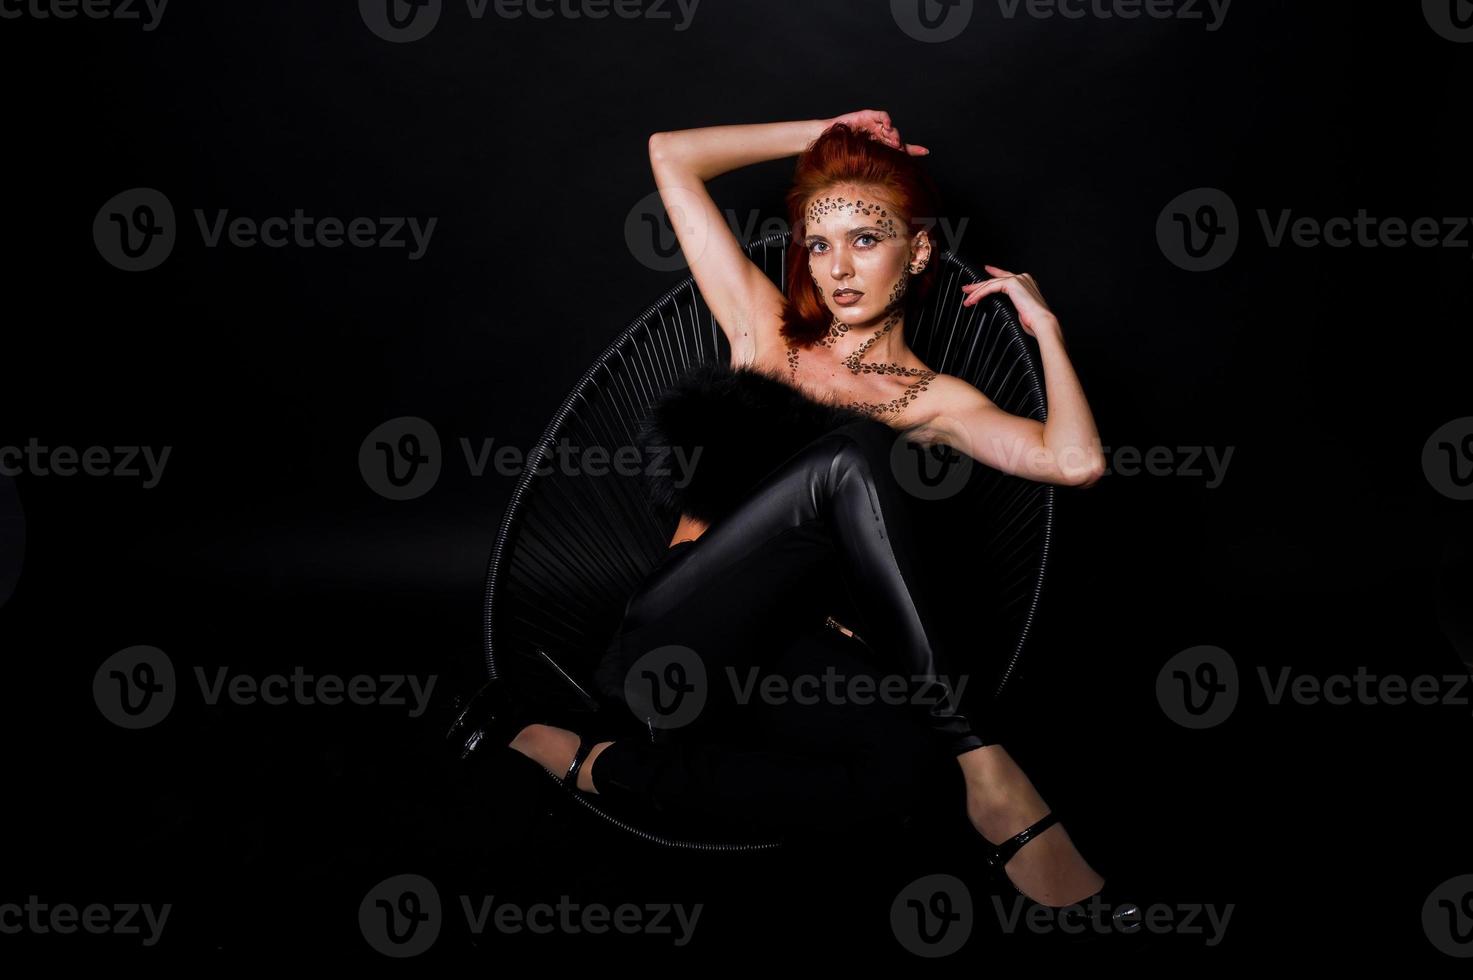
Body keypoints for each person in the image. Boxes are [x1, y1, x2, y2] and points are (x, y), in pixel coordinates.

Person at [454, 111, 1111, 911]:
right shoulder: (765, 334)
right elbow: (672, 155)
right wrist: (821, 129)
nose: (836, 266)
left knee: (905, 771)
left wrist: (1044, 328)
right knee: (851, 457)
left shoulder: (935, 399)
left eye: (866, 240)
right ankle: (990, 768)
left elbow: (1075, 464)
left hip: (783, 667)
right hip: (672, 646)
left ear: (921, 250)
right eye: (818, 242)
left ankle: (591, 763)